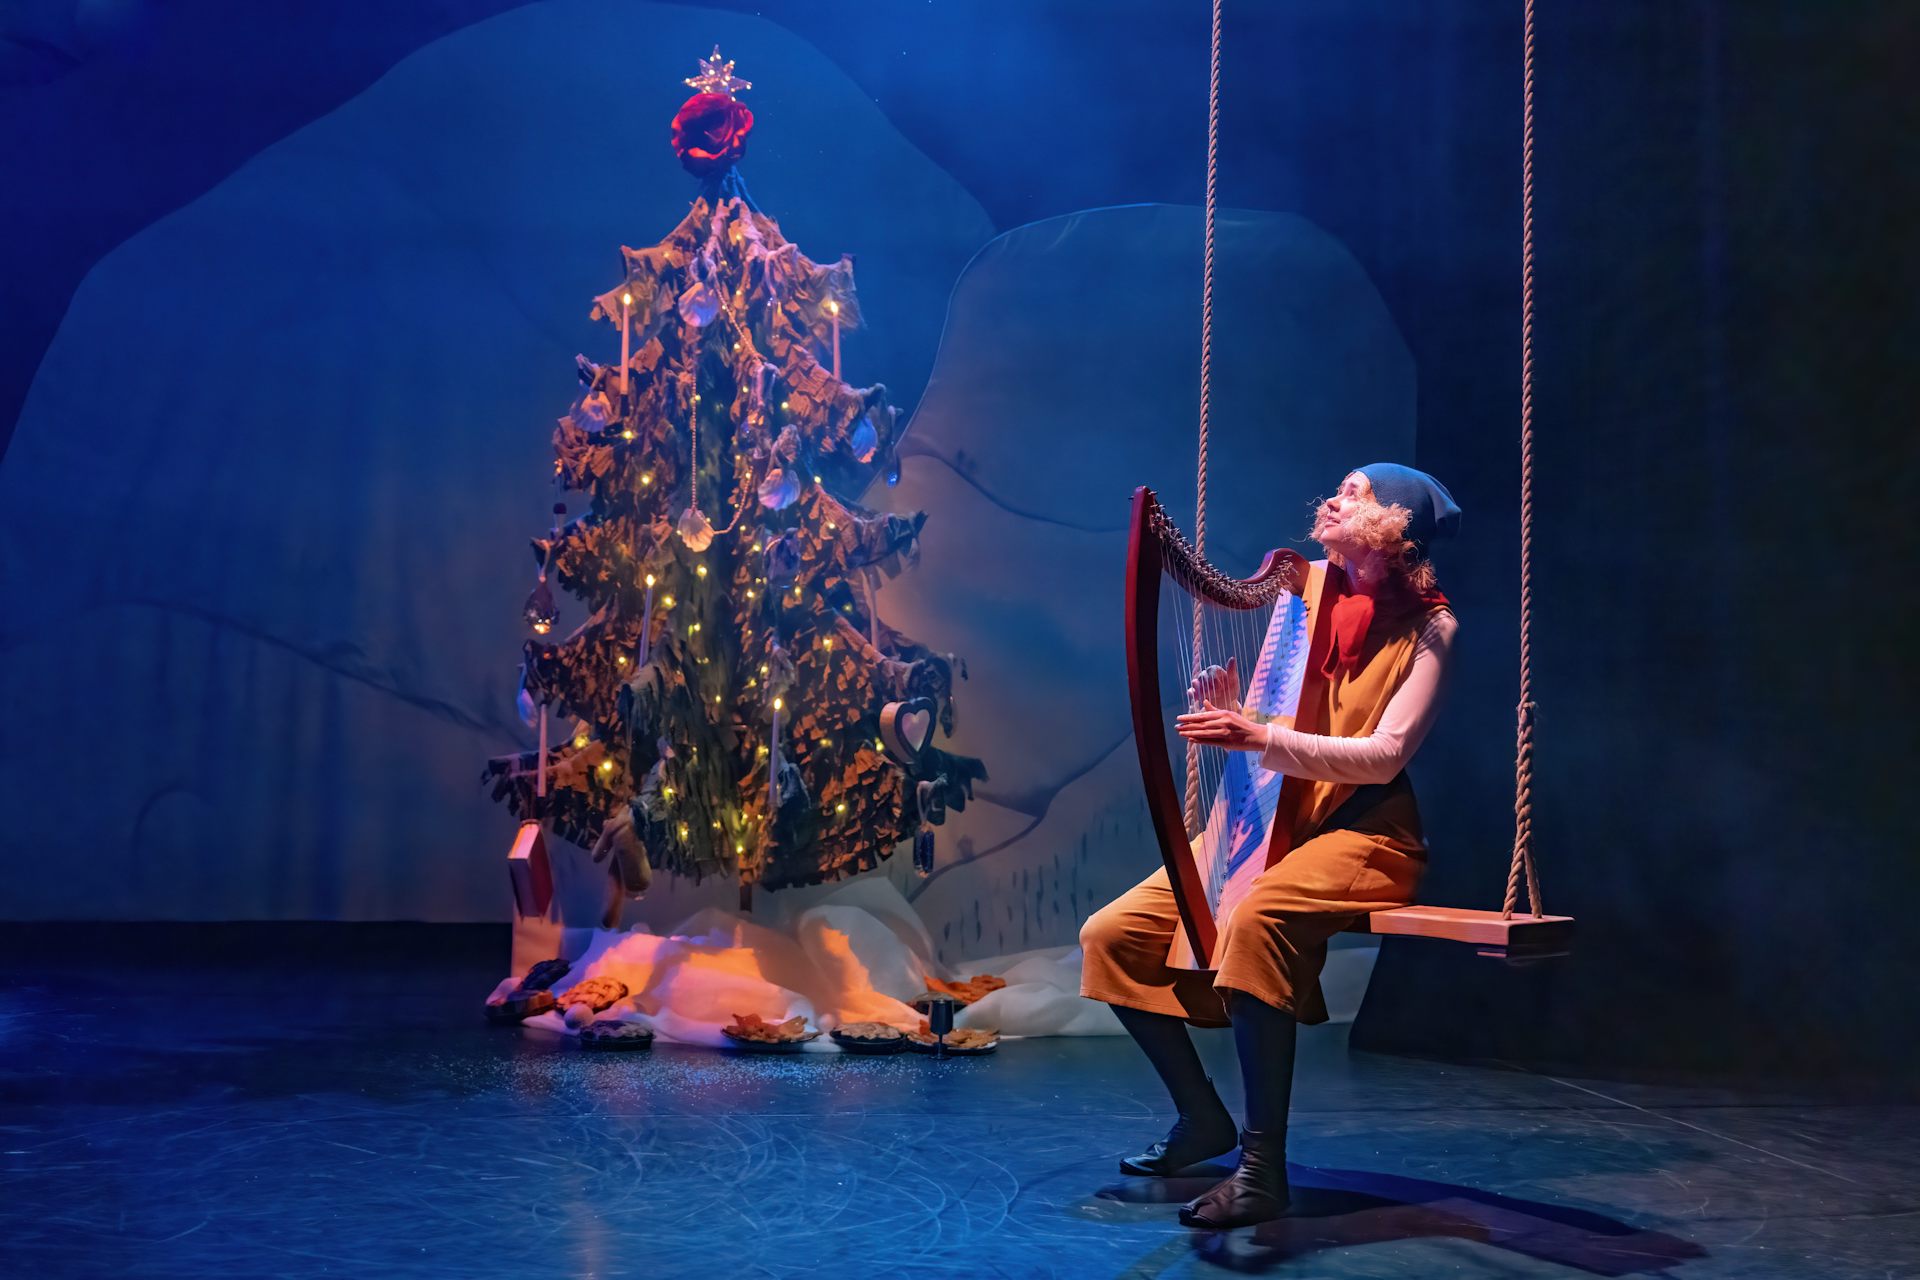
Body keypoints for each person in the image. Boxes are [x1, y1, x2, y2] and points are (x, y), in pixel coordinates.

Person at [1079, 462, 1461, 1229]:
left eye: (1355, 493)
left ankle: (1261, 1169)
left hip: (1365, 831)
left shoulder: (1431, 627)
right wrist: (1236, 713)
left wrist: (1259, 733)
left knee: (1255, 919)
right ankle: (1202, 1120)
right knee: (1112, 935)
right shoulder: (1303, 591)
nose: (1330, 499)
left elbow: (1383, 756)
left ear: (1394, 524)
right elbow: (1278, 721)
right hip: (1277, 821)